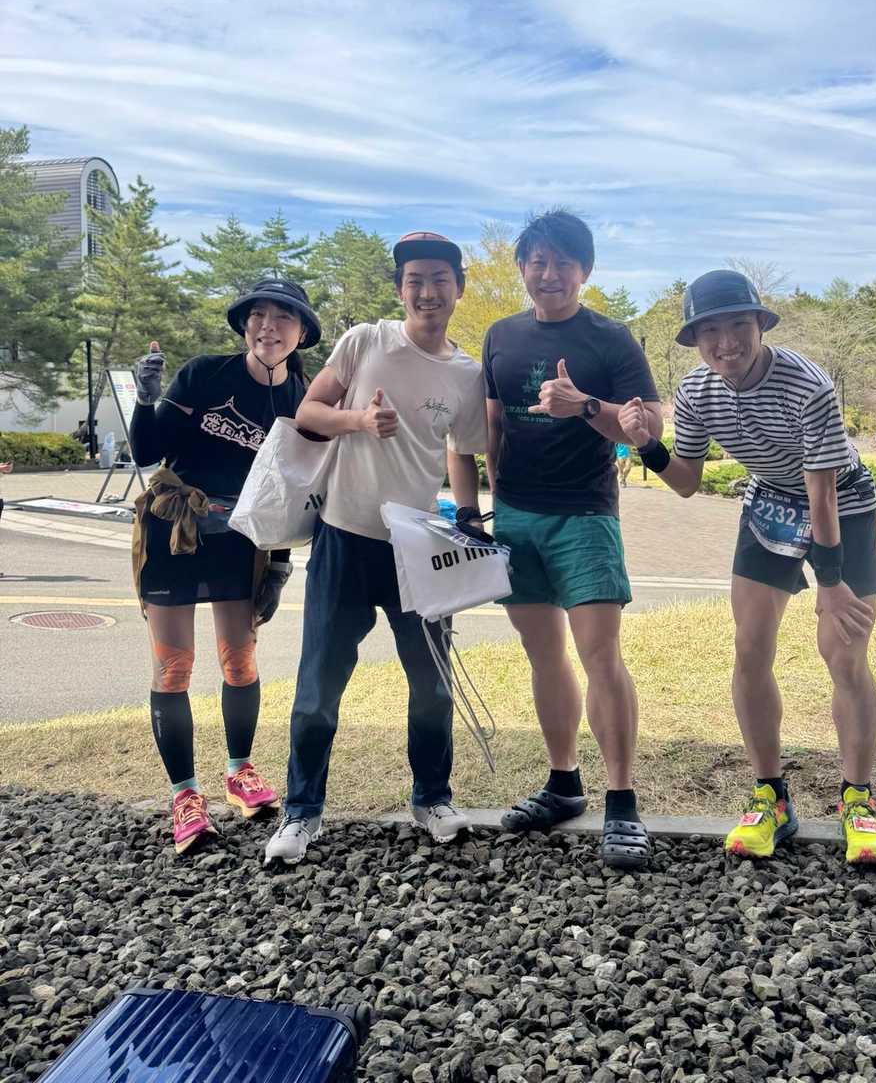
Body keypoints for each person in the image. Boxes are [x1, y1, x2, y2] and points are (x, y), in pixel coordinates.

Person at [619, 270, 876, 867]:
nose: (726, 343)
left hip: (842, 505)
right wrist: (646, 446)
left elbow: (821, 490)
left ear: (760, 325)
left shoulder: (807, 384)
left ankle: (858, 800)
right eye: (710, 332)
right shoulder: (696, 391)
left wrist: (830, 582)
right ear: (694, 340)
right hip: (769, 503)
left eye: (738, 325)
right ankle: (771, 796)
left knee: (844, 653)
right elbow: (686, 483)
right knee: (749, 648)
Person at [264, 232, 488, 865]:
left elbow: (462, 452)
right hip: (343, 536)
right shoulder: (365, 340)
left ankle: (432, 798)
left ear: (458, 288)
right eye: (415, 280)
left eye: (439, 279)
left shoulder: (467, 373)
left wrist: (469, 518)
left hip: (418, 547)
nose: (427, 291)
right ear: (400, 289)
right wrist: (359, 420)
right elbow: (310, 411)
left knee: (434, 685)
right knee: (318, 686)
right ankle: (302, 811)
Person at [483, 210, 663, 871]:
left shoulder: (610, 339)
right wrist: (489, 504)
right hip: (516, 516)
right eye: (538, 261)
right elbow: (491, 424)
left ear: (584, 270)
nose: (549, 273)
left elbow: (648, 428)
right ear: (523, 268)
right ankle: (563, 783)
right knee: (543, 655)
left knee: (600, 656)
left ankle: (622, 801)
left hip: (585, 516)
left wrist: (585, 405)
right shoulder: (500, 336)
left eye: (563, 262)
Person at [129, 279, 320, 854]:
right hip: (176, 529)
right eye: (257, 315)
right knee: (174, 667)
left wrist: (280, 566)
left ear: (302, 332)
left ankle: (240, 771)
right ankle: (185, 795)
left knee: (240, 660)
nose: (268, 326)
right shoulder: (205, 374)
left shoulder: (305, 399)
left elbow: (294, 493)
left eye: (283, 317)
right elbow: (147, 452)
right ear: (244, 325)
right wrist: (145, 400)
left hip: (245, 540)